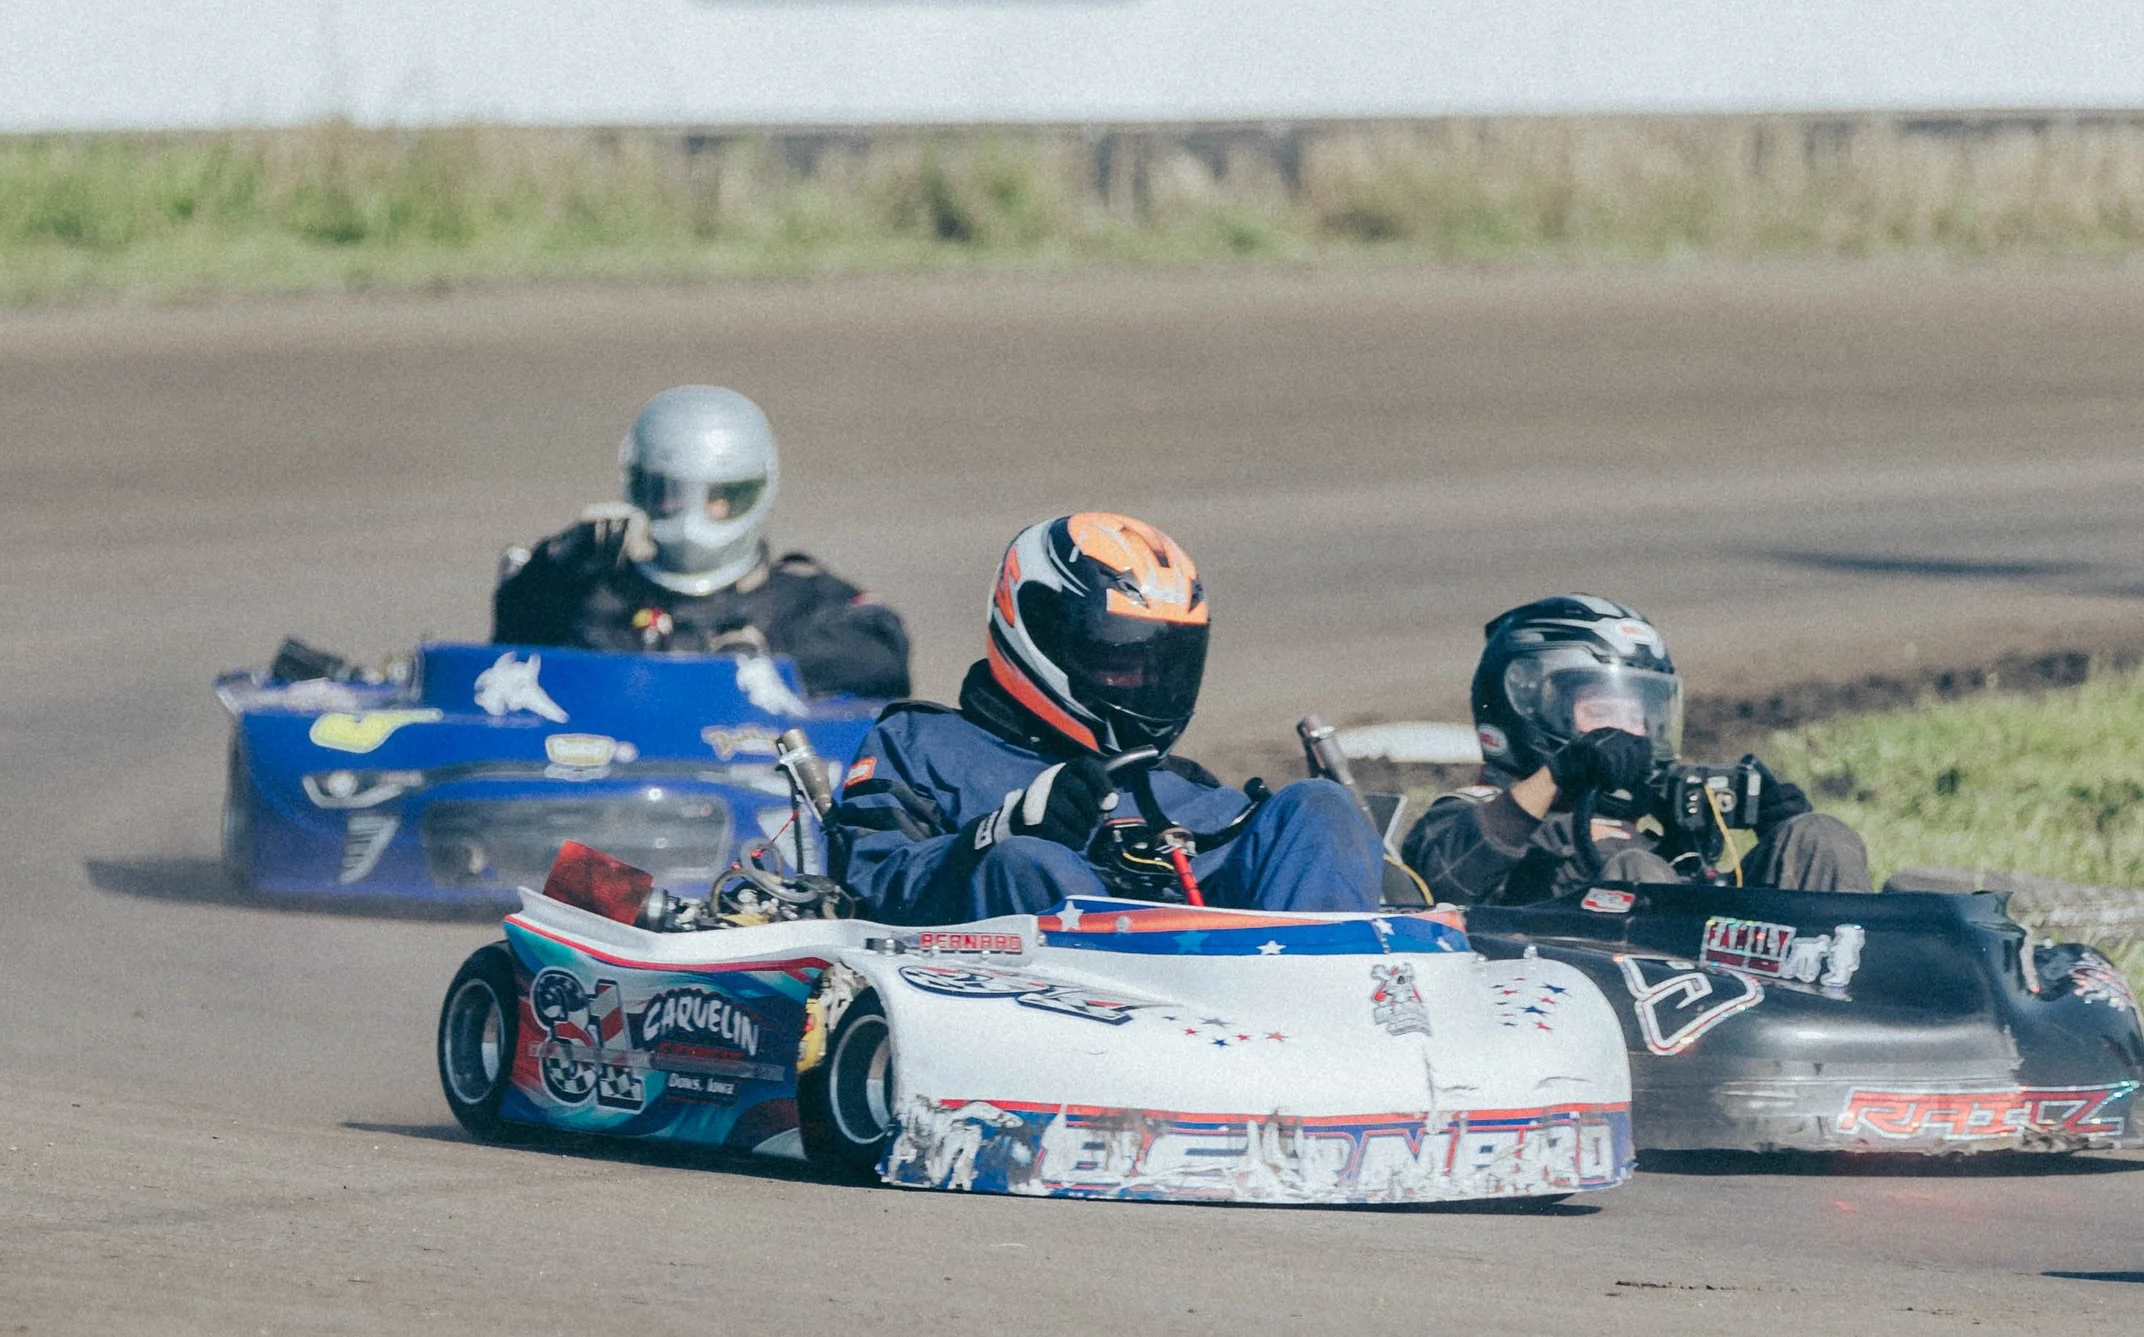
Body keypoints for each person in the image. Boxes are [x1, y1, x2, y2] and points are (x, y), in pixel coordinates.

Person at [831, 512, 1384, 924]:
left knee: (1319, 806)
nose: (1143, 685)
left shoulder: (1176, 784)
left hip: (1238, 1006)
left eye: (1163, 667)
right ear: (1037, 630)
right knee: (1029, 861)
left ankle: (1336, 1036)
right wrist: (1003, 829)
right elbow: (868, 884)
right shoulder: (922, 744)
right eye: (1120, 662)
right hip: (1048, 1016)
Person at [1400, 595, 1870, 905]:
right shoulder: (1464, 818)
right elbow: (1441, 885)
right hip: (1591, 1005)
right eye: (1603, 711)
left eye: (1637, 715)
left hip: (1737, 994)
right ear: (1527, 705)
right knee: (1636, 872)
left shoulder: (1655, 834)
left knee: (1820, 837)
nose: (1628, 731)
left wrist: (1778, 830)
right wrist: (1561, 773)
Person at [491, 385, 911, 699]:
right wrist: (555, 562)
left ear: (756, 489)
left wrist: (762, 657)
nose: (692, 517)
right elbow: (502, 655)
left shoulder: (804, 603)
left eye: (719, 499)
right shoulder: (592, 600)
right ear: (637, 487)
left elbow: (883, 656)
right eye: (668, 493)